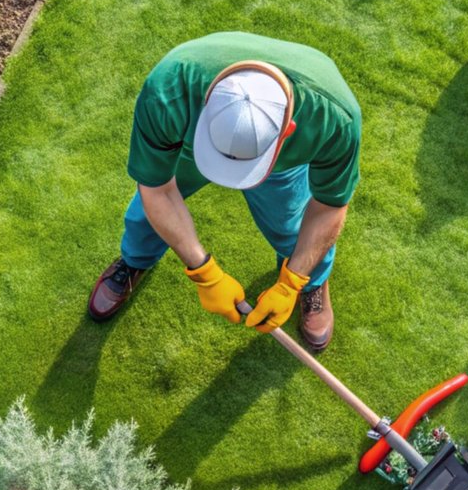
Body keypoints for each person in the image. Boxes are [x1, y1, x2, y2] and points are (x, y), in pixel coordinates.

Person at [86, 32, 361, 352]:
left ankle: (310, 284)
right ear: (207, 101)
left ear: (288, 130)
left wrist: (291, 282)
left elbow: (329, 207)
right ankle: (134, 260)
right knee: (147, 216)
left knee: (292, 227)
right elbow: (157, 190)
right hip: (191, 145)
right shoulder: (169, 90)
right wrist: (204, 273)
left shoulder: (335, 118)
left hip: (279, 163)